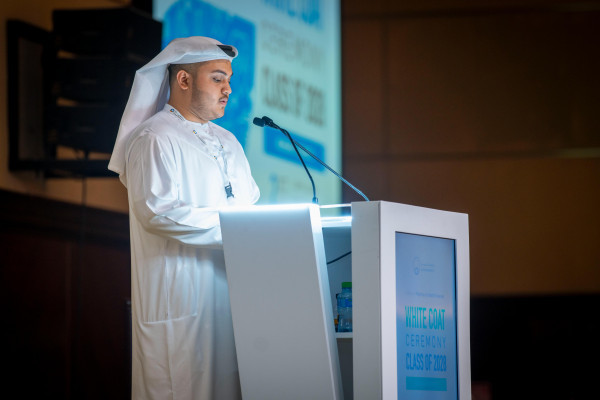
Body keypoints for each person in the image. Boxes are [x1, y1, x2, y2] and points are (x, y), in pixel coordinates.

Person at [108, 36, 260, 400]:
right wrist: (237, 229)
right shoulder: (153, 137)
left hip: (230, 300)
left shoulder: (230, 142)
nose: (228, 89)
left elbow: (252, 207)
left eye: (229, 79)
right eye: (218, 78)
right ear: (184, 81)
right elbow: (158, 213)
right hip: (179, 303)